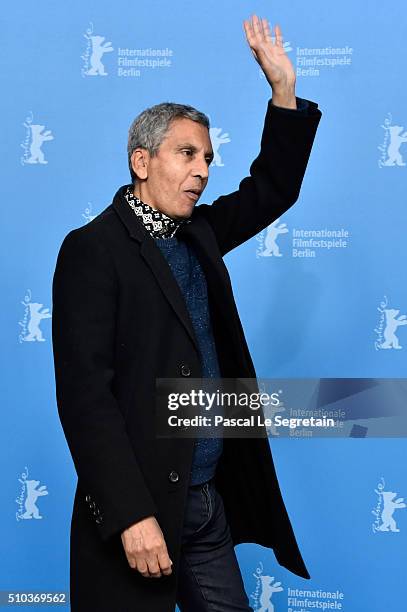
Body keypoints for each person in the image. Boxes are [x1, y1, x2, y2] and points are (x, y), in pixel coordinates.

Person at [51, 14, 322, 612]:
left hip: (205, 504)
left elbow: (272, 189)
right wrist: (131, 516)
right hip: (137, 512)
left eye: (207, 157)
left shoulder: (198, 232)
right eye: (186, 153)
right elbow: (84, 397)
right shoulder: (92, 250)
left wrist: (282, 93)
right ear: (141, 161)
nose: (202, 169)